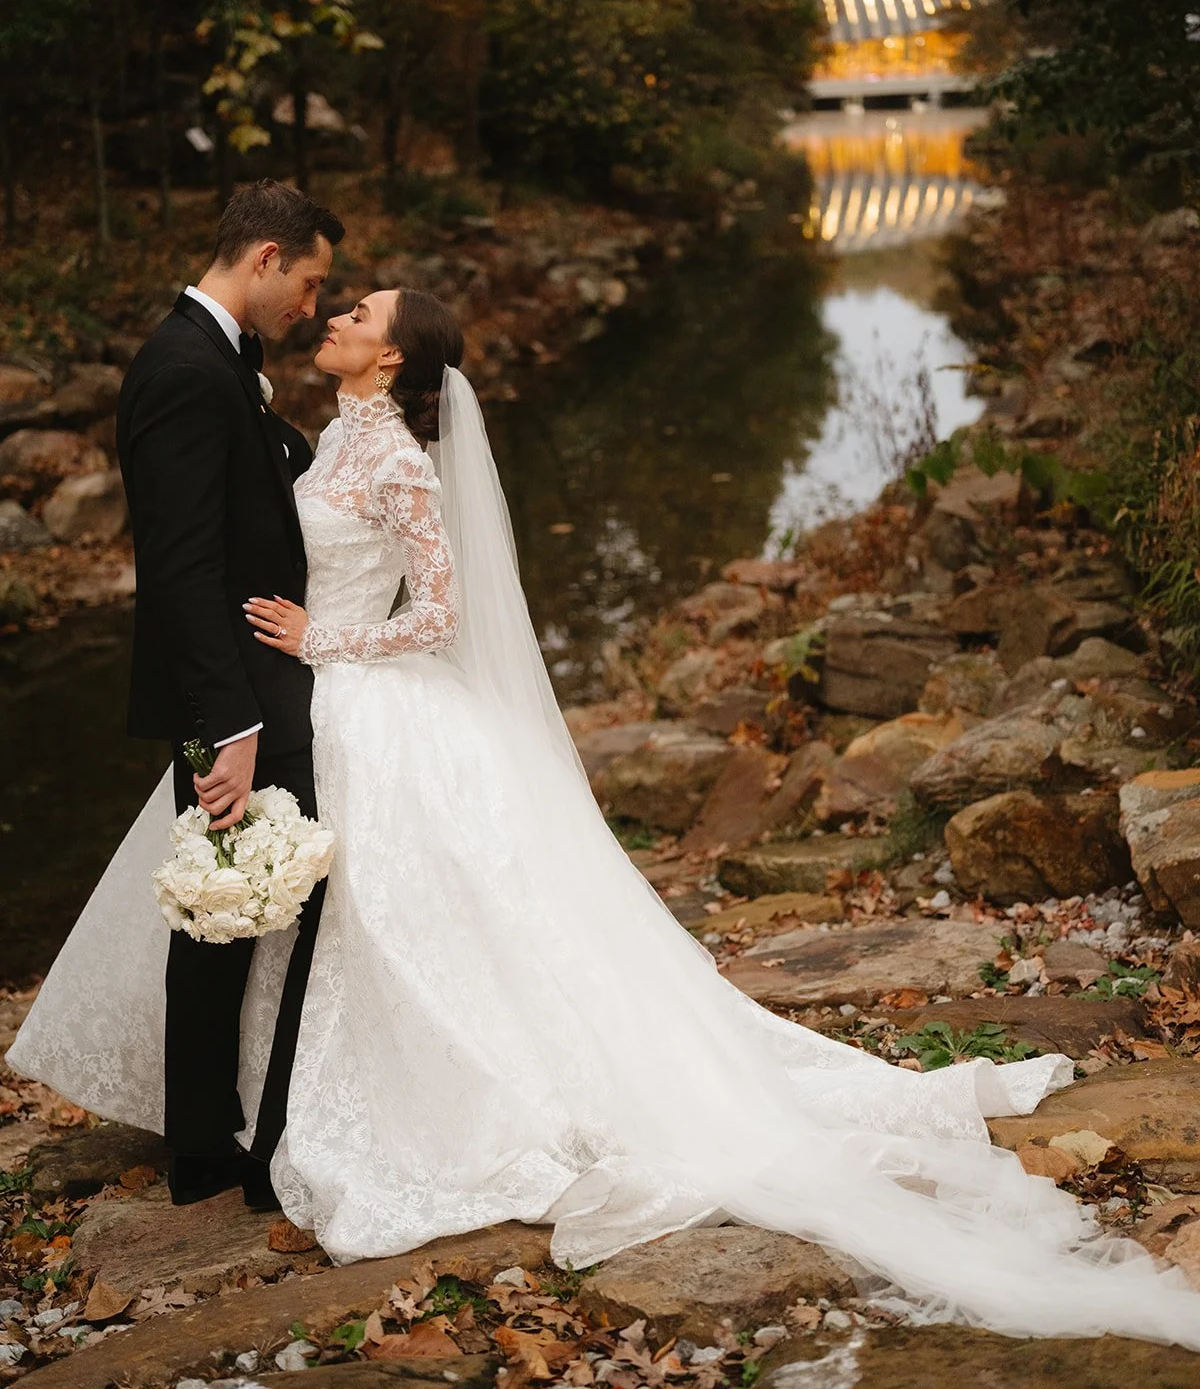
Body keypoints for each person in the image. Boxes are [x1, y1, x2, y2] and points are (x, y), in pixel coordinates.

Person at [13, 286, 1200, 1349]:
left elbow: (438, 612)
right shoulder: (332, 435)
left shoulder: (404, 464)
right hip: (323, 705)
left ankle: (383, 1105)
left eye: (359, 315)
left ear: (393, 362)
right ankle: (245, 1104)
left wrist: (321, 635)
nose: (335, 320)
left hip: (374, 697)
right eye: (338, 304)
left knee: (408, 910)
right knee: (350, 908)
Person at [116, 179, 343, 1210]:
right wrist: (231, 727)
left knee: (248, 903)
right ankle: (206, 1150)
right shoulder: (182, 367)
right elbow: (177, 566)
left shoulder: (221, 361)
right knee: (222, 914)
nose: (311, 304)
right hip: (233, 693)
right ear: (263, 259)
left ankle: (227, 1126)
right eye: (308, 280)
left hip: (256, 675)